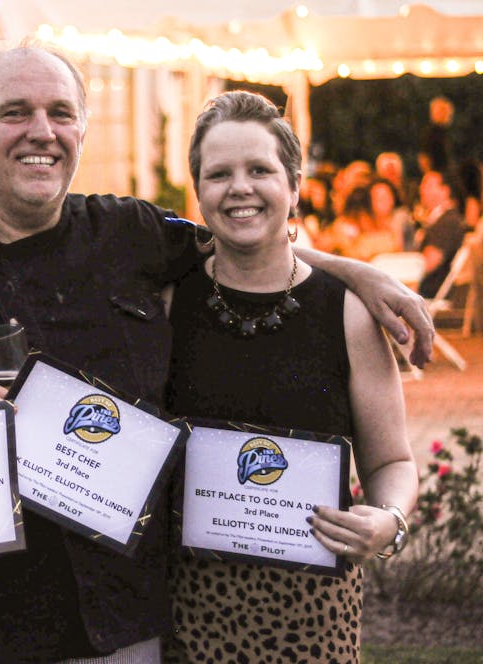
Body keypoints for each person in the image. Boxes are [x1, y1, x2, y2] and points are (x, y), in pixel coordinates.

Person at [0, 45, 433, 664]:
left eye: (61, 112)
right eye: (15, 112)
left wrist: (359, 274)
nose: (43, 131)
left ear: (81, 131)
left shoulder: (131, 234)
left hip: (126, 633)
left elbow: (243, 239)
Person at [163, 90, 419, 663]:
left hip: (312, 617)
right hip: (183, 610)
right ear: (198, 190)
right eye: (219, 173)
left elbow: (391, 462)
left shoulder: (348, 313)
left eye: (260, 169)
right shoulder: (166, 303)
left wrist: (390, 521)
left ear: (295, 185)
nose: (240, 188)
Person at [417, 169, 467, 297]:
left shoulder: (447, 222)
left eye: (428, 185)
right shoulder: (444, 219)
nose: (422, 189)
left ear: (446, 190)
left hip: (431, 293)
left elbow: (429, 262)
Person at [418, 96, 453, 175]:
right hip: (435, 175)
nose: (445, 114)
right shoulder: (430, 133)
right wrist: (429, 174)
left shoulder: (446, 133)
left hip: (445, 175)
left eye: (446, 111)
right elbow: (424, 156)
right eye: (442, 111)